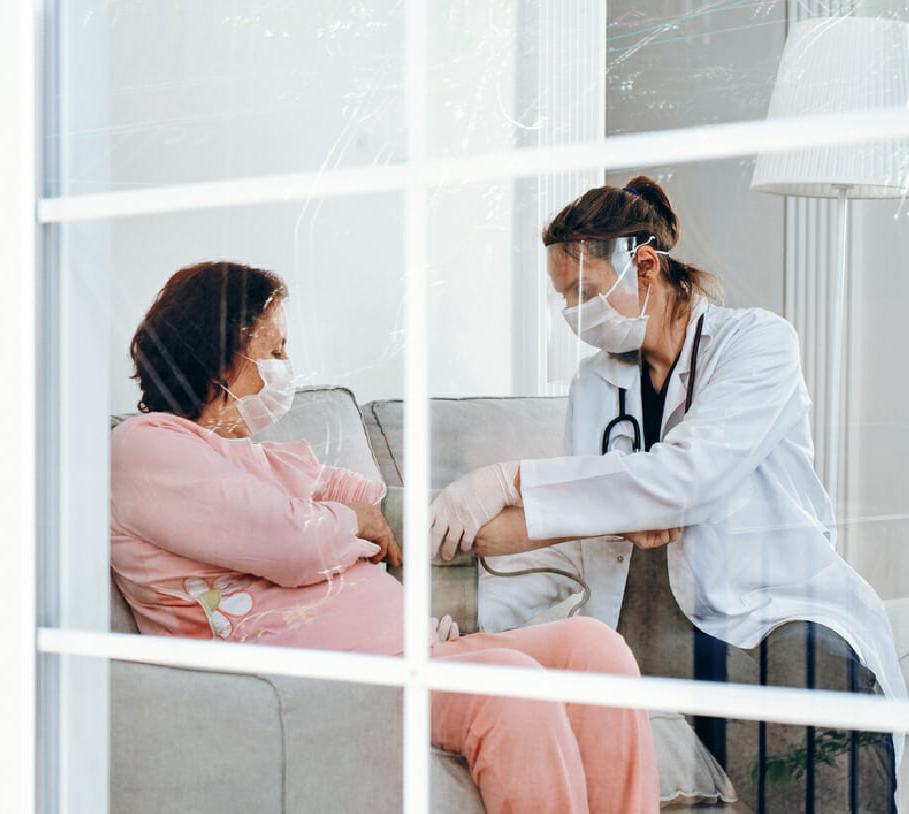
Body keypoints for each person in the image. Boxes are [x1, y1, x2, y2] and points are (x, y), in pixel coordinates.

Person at [111, 260, 660, 814]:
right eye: (273, 352)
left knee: (595, 648)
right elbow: (294, 544)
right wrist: (347, 522)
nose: (286, 368)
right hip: (329, 685)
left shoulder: (256, 456)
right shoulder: (146, 447)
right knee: (510, 684)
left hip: (413, 655)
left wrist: (346, 516)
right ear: (217, 354)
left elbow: (366, 497)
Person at [430, 176, 903, 812]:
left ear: (644, 266)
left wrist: (508, 478)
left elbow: (690, 476)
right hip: (650, 618)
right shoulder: (595, 384)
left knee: (815, 679)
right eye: (564, 299)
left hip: (774, 601)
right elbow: (587, 527)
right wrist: (470, 623)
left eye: (585, 292)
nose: (574, 314)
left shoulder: (757, 344)